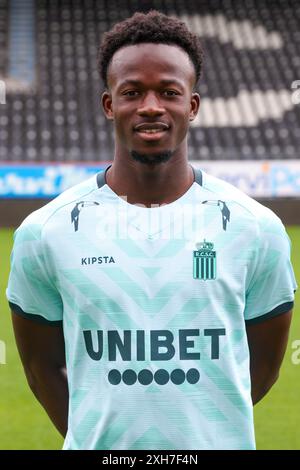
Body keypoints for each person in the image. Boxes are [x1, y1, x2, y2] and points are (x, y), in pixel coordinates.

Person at [6, 10, 297, 450]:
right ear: (109, 104)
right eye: (132, 92)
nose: (151, 106)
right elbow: (41, 366)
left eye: (168, 91)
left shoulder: (255, 228)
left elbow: (263, 366)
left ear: (192, 105)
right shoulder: (46, 232)